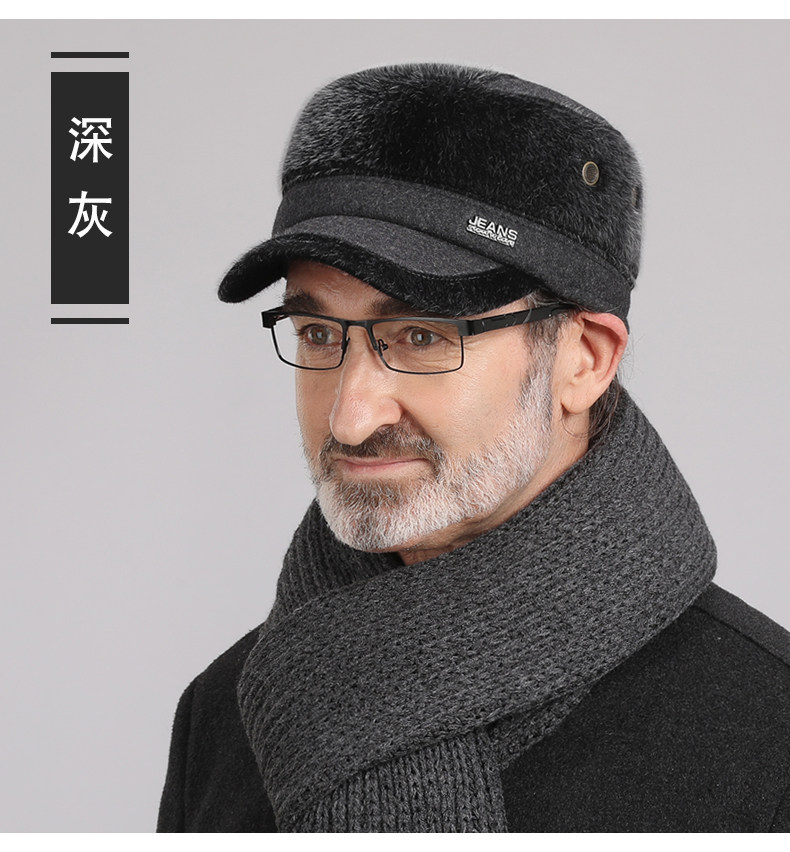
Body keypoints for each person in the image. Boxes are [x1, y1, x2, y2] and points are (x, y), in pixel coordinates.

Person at [157, 63, 790, 833]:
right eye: (318, 333)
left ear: (584, 359)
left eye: (420, 336)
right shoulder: (221, 717)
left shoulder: (766, 736)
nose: (350, 418)